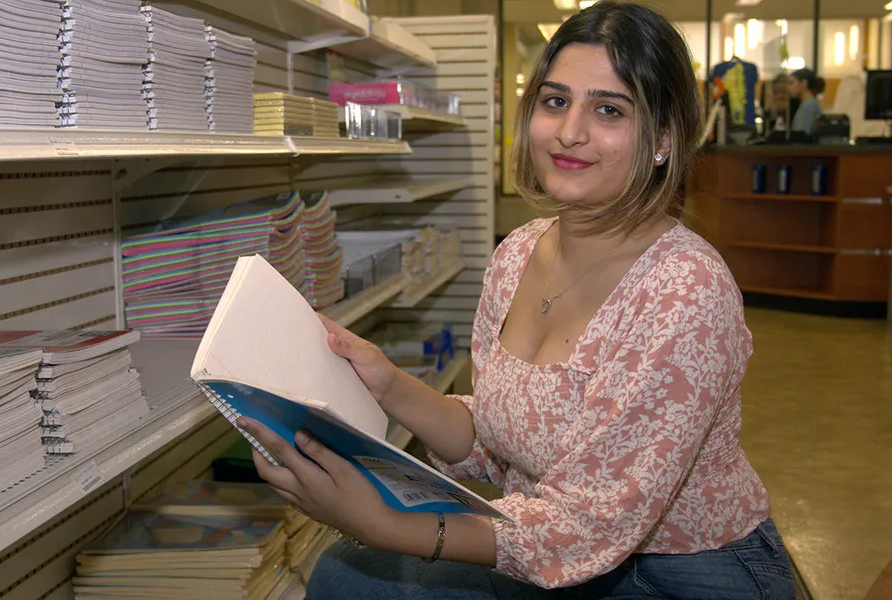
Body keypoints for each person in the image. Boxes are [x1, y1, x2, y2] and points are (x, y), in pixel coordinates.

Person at [232, 2, 793, 598]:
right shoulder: (518, 253)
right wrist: (388, 384)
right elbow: (498, 442)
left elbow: (587, 525)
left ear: (662, 141)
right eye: (555, 101)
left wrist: (387, 526)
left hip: (682, 572)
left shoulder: (685, 290)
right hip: (563, 543)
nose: (570, 131)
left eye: (608, 109)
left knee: (359, 577)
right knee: (344, 578)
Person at [787, 68, 826, 135]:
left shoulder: (808, 107)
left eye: (791, 83)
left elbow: (801, 137)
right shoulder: (808, 104)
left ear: (804, 83)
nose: (788, 87)